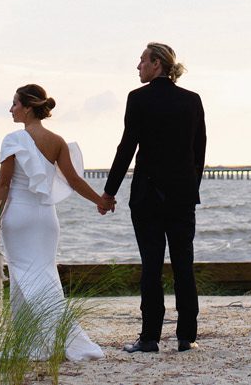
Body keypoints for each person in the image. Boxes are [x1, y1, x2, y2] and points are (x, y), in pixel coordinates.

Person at [0, 83, 107, 362]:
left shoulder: (12, 140)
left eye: (15, 104)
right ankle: (41, 340)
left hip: (18, 216)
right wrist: (100, 201)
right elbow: (74, 181)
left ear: (28, 108)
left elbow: (3, 184)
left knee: (23, 277)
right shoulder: (57, 141)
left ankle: (35, 344)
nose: (11, 109)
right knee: (44, 276)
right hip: (46, 218)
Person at [100, 42, 207, 353]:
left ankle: (149, 338)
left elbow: (126, 148)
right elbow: (198, 151)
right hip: (182, 198)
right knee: (183, 264)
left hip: (147, 197)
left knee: (151, 266)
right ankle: (187, 336)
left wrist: (109, 193)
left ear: (157, 64)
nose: (138, 67)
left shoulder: (138, 99)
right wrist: (190, 187)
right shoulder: (192, 100)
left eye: (142, 61)